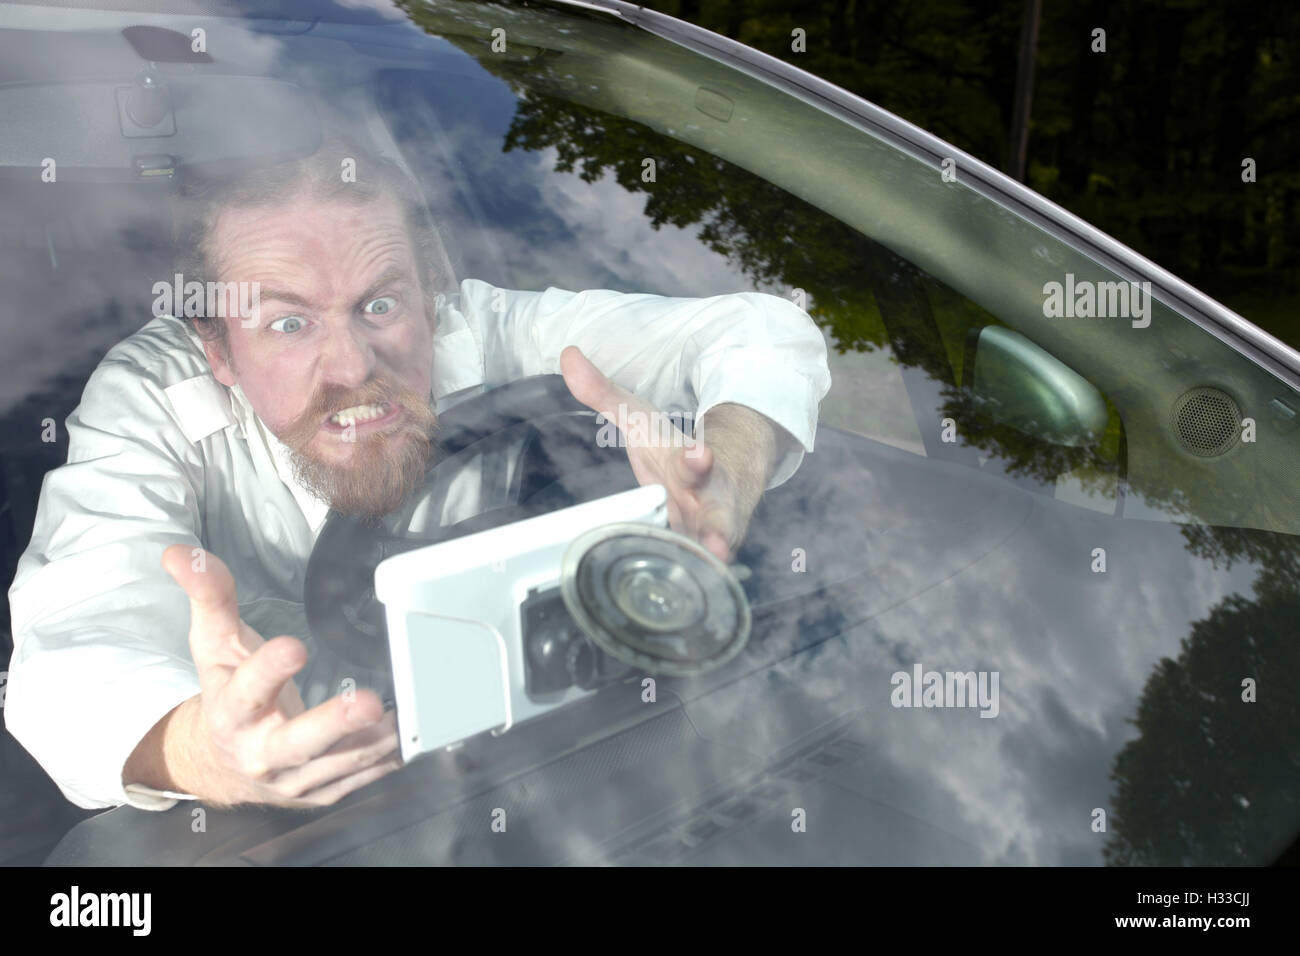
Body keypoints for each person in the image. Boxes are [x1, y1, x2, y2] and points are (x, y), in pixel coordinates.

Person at [4, 140, 831, 812]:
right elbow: (76, 645)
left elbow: (762, 330)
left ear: (429, 298)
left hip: (536, 774)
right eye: (288, 323)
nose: (351, 367)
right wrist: (209, 751)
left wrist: (723, 474)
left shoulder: (485, 330)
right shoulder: (154, 397)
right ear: (216, 348)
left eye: (380, 305)